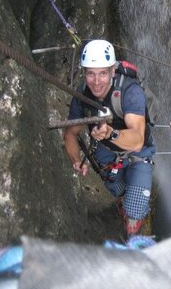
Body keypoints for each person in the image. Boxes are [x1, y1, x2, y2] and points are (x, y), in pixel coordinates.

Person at [63, 39, 155, 236]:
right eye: (91, 74)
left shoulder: (130, 92)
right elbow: (70, 133)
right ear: (85, 73)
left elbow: (138, 140)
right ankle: (124, 197)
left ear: (113, 71)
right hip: (107, 153)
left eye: (103, 73)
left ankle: (135, 211)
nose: (96, 82)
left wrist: (110, 133)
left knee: (134, 210)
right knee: (117, 189)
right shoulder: (83, 95)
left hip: (138, 153)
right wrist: (76, 160)